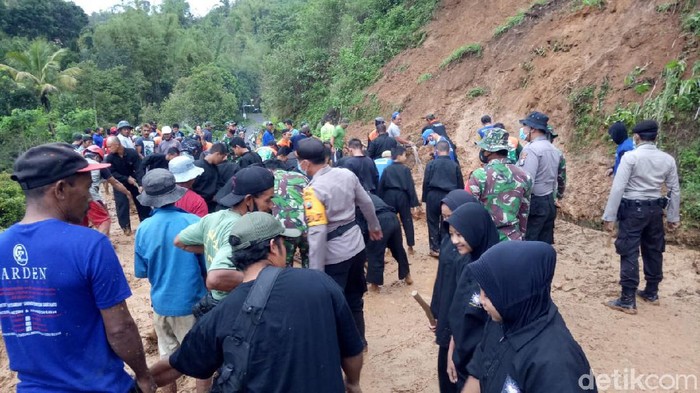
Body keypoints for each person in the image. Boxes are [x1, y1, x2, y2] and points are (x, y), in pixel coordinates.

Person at [0, 143, 156, 393]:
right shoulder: (90, 245)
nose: (90, 196)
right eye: (86, 188)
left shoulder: (2, 245)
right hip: (99, 386)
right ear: (61, 189)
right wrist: (143, 375)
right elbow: (120, 328)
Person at [150, 212, 365, 393]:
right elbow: (352, 350)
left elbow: (177, 364)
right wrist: (353, 383)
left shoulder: (222, 312)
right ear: (273, 246)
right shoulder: (320, 283)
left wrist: (139, 381)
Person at [463, 242, 596, 393]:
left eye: (489, 294)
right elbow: (479, 369)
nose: (481, 301)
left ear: (515, 294)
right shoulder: (500, 319)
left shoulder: (557, 366)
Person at [298, 138, 382, 347]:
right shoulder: (346, 174)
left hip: (334, 255)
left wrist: (316, 274)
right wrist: (374, 226)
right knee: (355, 298)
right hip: (356, 246)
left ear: (305, 164)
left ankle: (344, 347)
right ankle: (360, 341)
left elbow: (317, 233)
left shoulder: (313, 191)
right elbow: (366, 202)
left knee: (333, 303)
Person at [134, 169, 209, 393]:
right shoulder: (194, 222)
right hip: (192, 303)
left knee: (168, 360)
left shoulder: (143, 228)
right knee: (201, 362)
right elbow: (208, 267)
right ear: (176, 192)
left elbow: (142, 271)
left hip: (161, 304)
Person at [602, 120, 680, 314]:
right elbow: (674, 190)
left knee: (628, 250)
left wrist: (609, 216)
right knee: (653, 249)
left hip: (632, 209)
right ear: (655, 137)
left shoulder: (630, 157)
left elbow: (618, 187)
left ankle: (627, 299)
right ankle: (652, 292)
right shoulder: (667, 159)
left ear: (636, 137)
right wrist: (672, 217)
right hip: (655, 210)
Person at [175, 166, 274, 302]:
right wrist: (264, 279)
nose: (271, 206)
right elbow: (216, 279)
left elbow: (179, 241)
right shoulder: (241, 229)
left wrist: (214, 248)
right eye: (267, 200)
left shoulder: (213, 217)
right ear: (249, 200)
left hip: (213, 299)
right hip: (232, 302)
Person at [444, 203, 500, 390]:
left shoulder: (496, 274)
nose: (454, 241)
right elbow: (459, 314)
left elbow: (494, 332)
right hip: (461, 357)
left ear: (476, 230)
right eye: (452, 234)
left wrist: (475, 374)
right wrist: (452, 350)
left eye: (459, 234)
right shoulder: (466, 264)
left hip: (480, 370)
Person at [429, 190, 477, 393]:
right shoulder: (450, 239)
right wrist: (436, 312)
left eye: (452, 215)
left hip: (461, 323)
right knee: (445, 370)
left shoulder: (472, 248)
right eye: (445, 217)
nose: (448, 221)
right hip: (447, 311)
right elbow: (441, 279)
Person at [467, 128, 533, 241]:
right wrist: (521, 236)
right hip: (513, 239)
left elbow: (471, 211)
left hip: (486, 239)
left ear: (488, 151)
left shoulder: (479, 175)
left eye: (483, 148)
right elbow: (524, 212)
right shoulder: (525, 176)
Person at [517, 111, 565, 244]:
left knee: (529, 243)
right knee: (544, 244)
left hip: (535, 203)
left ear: (532, 129)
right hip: (549, 201)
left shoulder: (531, 150)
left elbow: (526, 181)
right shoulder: (554, 149)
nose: (523, 130)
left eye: (525, 126)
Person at [263, 160, 311, 268]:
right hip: (308, 226)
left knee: (285, 264)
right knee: (309, 263)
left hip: (284, 229)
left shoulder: (269, 181)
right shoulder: (301, 177)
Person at [362, 194, 412, 292]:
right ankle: (407, 275)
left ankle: (374, 286)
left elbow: (362, 226)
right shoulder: (371, 195)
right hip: (393, 218)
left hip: (380, 220)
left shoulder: (356, 200)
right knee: (398, 249)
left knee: (375, 252)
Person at [422, 140, 464, 257]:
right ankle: (446, 246)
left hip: (433, 194)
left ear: (436, 151)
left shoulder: (431, 164)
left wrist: (425, 198)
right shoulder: (454, 165)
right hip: (449, 196)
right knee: (447, 222)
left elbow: (426, 182)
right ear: (449, 150)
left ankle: (435, 248)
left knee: (432, 221)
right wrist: (458, 199)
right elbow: (460, 183)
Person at [105, 136, 151, 235]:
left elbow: (139, 168)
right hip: (119, 183)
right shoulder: (109, 158)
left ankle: (146, 224)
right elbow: (111, 173)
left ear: (117, 145)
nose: (108, 149)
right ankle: (126, 228)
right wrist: (126, 178)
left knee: (141, 201)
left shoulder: (132, 153)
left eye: (110, 147)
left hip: (134, 180)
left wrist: (140, 184)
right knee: (122, 204)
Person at [378, 146, 420, 254]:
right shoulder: (405, 170)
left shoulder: (387, 169)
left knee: (389, 221)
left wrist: (381, 201)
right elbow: (410, 186)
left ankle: (388, 247)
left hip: (389, 196)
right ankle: (410, 246)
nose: (405, 157)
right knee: (407, 220)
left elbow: (381, 186)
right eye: (405, 155)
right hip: (402, 196)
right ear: (399, 156)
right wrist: (414, 203)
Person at [82, 145, 131, 237]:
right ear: (97, 157)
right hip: (89, 197)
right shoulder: (98, 165)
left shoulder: (77, 164)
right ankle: (101, 245)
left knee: (81, 225)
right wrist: (127, 193)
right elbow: (115, 183)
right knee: (104, 221)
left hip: (70, 200)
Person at [192, 143, 228, 213]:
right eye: (222, 157)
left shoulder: (215, 167)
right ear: (217, 154)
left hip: (212, 204)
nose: (222, 160)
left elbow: (218, 183)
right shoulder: (198, 166)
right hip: (199, 205)